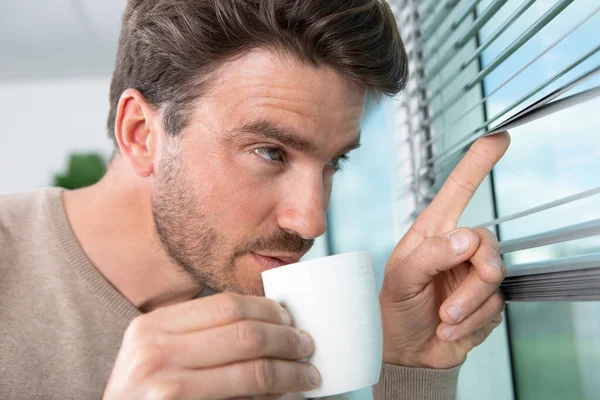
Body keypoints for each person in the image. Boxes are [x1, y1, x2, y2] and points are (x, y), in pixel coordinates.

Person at [0, 1, 510, 399]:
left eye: (334, 162)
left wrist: (412, 370)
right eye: (270, 151)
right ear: (141, 134)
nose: (310, 220)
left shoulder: (283, 324)